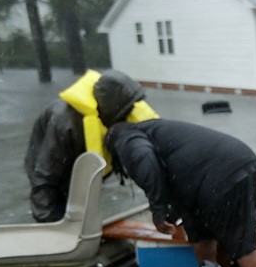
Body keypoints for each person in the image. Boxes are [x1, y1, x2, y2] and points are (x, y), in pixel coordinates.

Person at [103, 118, 256, 267]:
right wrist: (171, 212)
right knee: (199, 235)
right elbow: (172, 169)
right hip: (211, 175)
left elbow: (146, 159)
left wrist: (158, 210)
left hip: (223, 170)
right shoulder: (148, 130)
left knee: (239, 238)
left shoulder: (124, 140)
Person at [24, 69, 157, 222]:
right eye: (126, 110)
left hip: (79, 155)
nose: (129, 114)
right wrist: (48, 222)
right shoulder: (64, 123)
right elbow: (44, 175)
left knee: (84, 207)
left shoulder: (113, 115)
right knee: (57, 204)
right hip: (49, 162)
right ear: (109, 106)